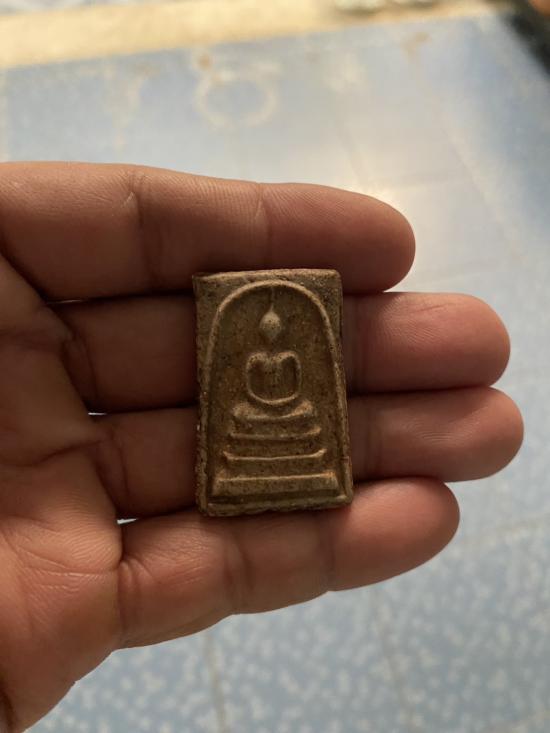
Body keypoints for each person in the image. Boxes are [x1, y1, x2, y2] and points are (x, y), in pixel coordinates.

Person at [0, 163, 523, 733]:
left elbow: (296, 392)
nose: (271, 337)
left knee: (300, 416)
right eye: (268, 331)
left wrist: (284, 404)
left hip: (289, 416)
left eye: (274, 331)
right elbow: (248, 393)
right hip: (255, 416)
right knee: (246, 416)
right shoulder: (253, 354)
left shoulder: (291, 354)